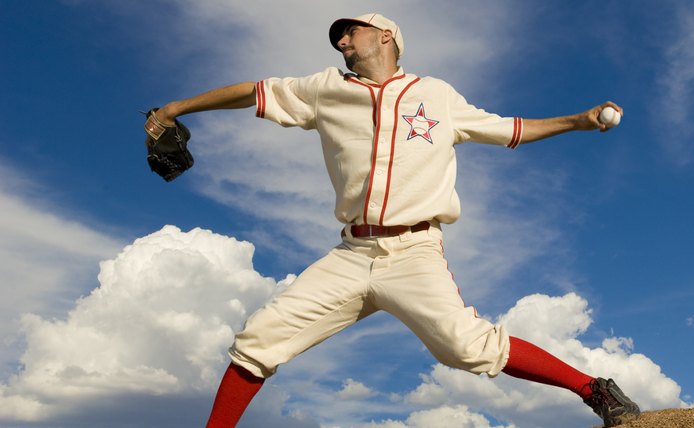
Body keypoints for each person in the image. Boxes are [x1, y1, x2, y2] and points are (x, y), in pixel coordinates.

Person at [149, 13, 640, 428]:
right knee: (258, 340)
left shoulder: (436, 95)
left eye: (351, 32)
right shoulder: (324, 88)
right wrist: (175, 108)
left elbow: (509, 129)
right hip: (351, 254)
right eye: (339, 38)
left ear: (386, 36)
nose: (342, 41)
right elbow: (251, 93)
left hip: (414, 252)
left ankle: (593, 389)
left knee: (466, 348)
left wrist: (577, 120)